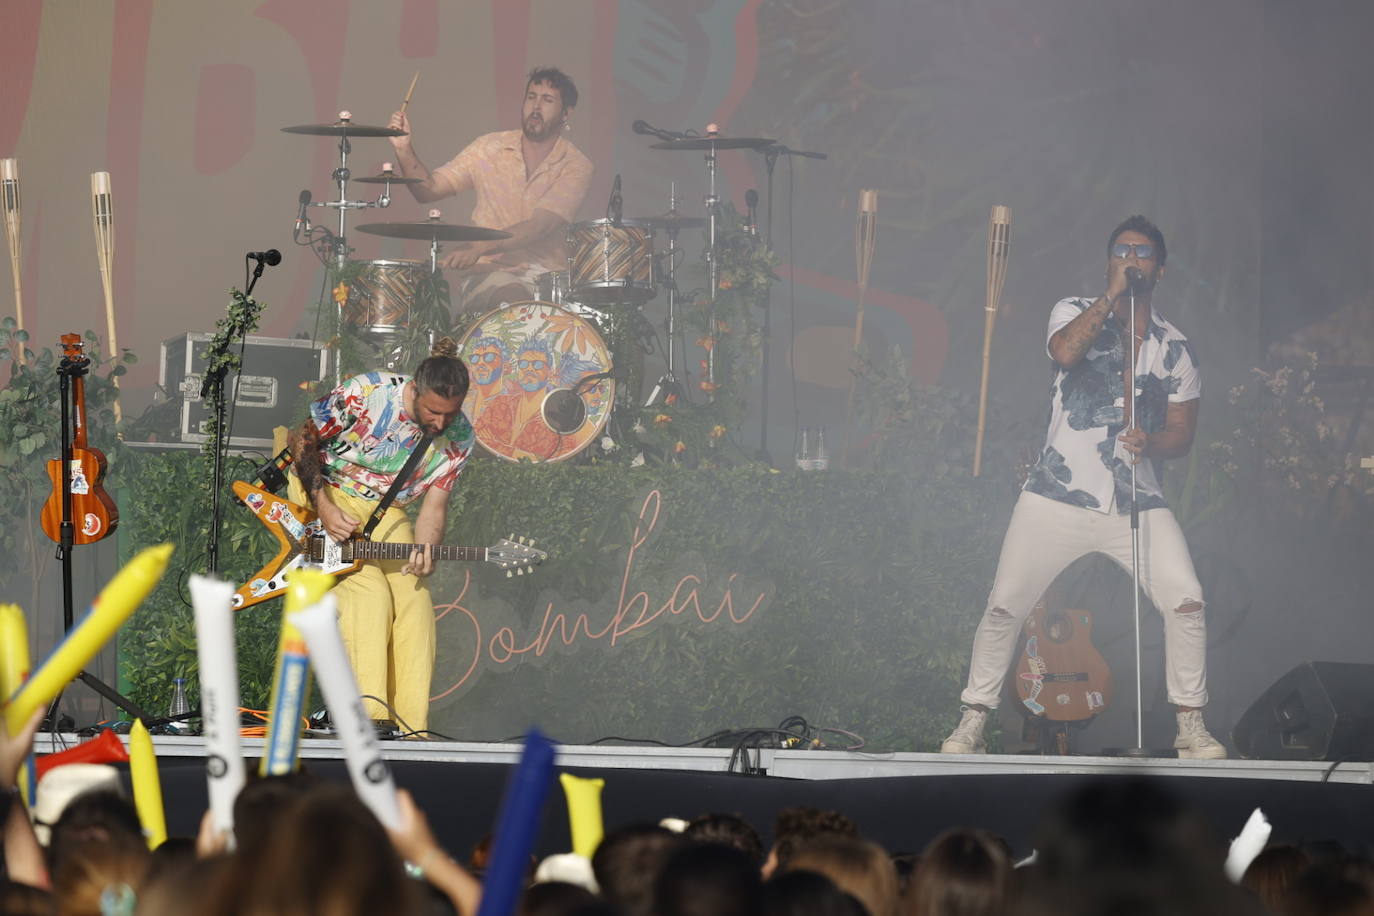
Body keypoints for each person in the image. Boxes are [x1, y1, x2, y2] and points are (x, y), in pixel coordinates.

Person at [941, 215, 1226, 760]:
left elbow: (1182, 436)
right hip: (1056, 493)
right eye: (1122, 251)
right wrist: (1112, 297)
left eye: (1142, 253)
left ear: (1160, 269)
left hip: (1135, 502)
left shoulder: (1175, 348)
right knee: (1004, 605)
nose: (1132, 258)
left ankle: (1191, 725)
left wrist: (1153, 443)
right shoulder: (1075, 310)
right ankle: (972, 720)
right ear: (1109, 262)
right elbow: (1065, 354)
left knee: (1187, 601)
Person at [288, 338, 474, 733]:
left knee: (415, 600)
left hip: (387, 510)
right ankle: (368, 719)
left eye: (450, 413)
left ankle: (411, 728)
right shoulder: (366, 393)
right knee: (369, 595)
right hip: (326, 491)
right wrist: (324, 506)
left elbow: (434, 508)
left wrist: (426, 549)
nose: (440, 423)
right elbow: (300, 440)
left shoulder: (460, 436)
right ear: (414, 390)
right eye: (432, 411)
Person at [387, 66, 594, 315]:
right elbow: (427, 191)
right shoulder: (488, 148)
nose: (536, 107)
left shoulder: (576, 165)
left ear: (566, 113)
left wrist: (479, 247)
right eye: (531, 97)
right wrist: (403, 148)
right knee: (515, 303)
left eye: (547, 100)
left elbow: (541, 225)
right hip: (490, 274)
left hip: (551, 281)